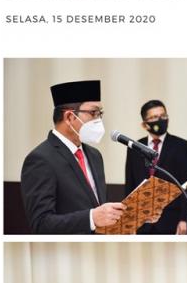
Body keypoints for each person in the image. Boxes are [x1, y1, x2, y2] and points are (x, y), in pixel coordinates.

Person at [20, 79, 125, 234]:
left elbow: (100, 209)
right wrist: (91, 218)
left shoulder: (95, 155)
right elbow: (41, 223)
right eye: (93, 113)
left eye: (100, 114)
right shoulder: (40, 159)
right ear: (69, 117)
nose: (99, 120)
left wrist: (132, 217)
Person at [123, 100, 187, 234]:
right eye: (154, 117)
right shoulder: (135, 148)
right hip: (142, 220)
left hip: (171, 219)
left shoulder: (182, 146)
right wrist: (129, 219)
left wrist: (184, 219)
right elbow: (130, 184)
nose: (160, 120)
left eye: (163, 116)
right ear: (144, 124)